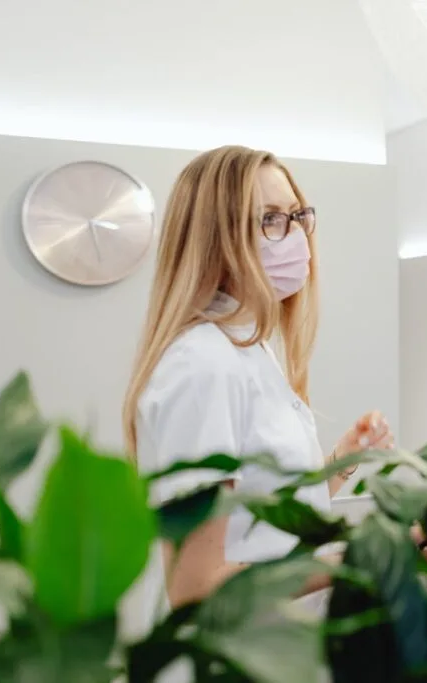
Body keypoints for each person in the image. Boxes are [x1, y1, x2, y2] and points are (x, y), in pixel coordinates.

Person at [122, 145, 403, 614]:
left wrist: (340, 462)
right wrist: (368, 555)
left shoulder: (248, 347)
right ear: (214, 238)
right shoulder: (203, 365)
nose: (296, 236)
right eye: (270, 219)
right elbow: (197, 587)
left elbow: (265, 519)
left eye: (297, 215)